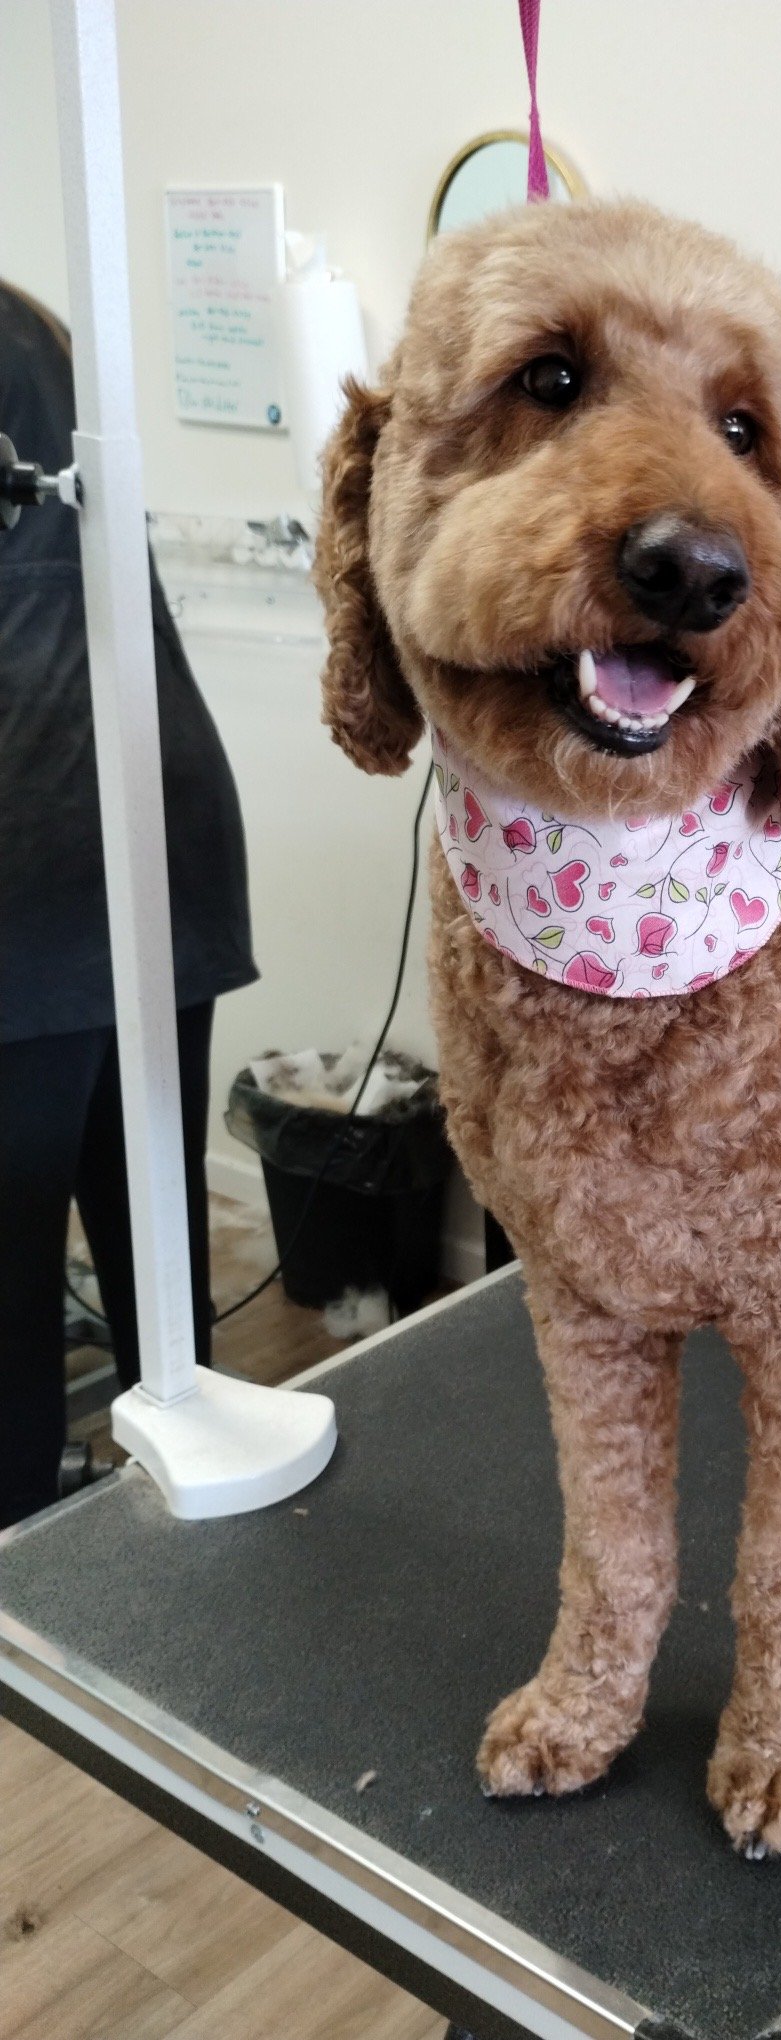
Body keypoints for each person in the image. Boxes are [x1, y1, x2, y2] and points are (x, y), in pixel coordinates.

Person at [0, 280, 257, 1526]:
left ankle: (30, 1599)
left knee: (12, 1276)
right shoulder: (43, 335)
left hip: (42, 859)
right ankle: (177, 1563)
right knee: (155, 1244)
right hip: (163, 826)